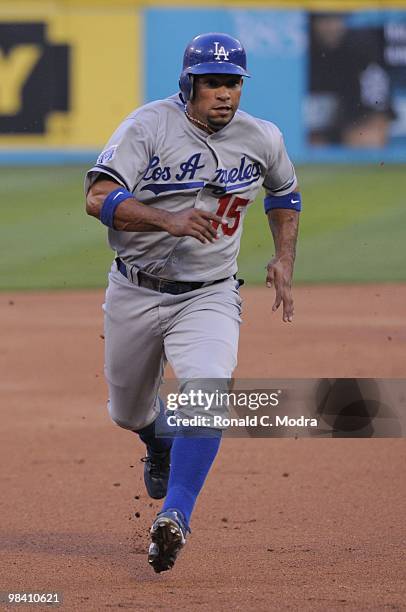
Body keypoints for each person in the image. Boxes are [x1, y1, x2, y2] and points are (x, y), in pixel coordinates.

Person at [84, 32, 301, 573]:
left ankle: (174, 515)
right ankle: (157, 439)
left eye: (232, 83)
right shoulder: (147, 126)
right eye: (213, 83)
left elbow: (284, 194)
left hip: (209, 294)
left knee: (206, 390)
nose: (224, 94)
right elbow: (96, 197)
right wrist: (168, 219)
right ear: (188, 84)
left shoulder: (262, 137)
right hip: (135, 289)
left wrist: (283, 257)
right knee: (127, 411)